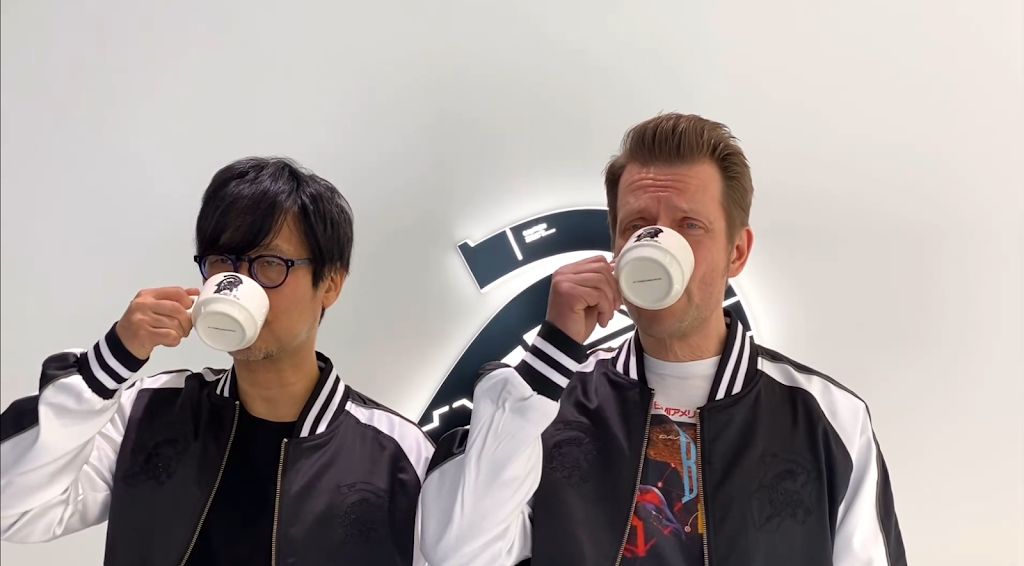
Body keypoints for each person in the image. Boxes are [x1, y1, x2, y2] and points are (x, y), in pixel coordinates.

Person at [419, 114, 907, 565]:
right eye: (638, 227)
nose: (657, 244)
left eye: (689, 226)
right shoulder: (548, 404)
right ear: (616, 246)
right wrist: (550, 358)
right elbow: (459, 554)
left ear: (737, 252)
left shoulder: (827, 419)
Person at [0, 157, 433, 566]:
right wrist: (111, 360)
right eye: (223, 262)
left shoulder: (397, 456)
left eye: (269, 264)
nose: (238, 283)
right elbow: (13, 509)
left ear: (331, 284)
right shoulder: (150, 411)